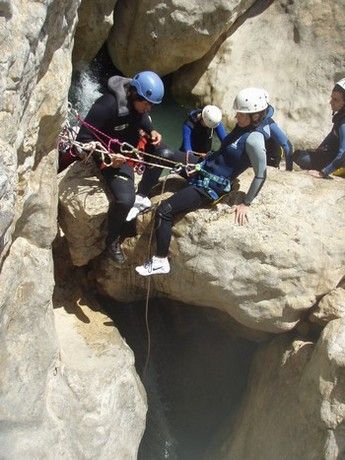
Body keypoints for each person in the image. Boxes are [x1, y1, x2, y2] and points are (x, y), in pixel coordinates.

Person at [135, 87, 272, 277]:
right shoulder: (242, 128)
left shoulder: (255, 140)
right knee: (163, 153)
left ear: (255, 116)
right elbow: (222, 152)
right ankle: (141, 196)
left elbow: (261, 174)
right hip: (203, 166)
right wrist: (200, 163)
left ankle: (160, 261)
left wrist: (245, 203)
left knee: (164, 211)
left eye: (241, 114)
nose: (236, 116)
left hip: (210, 188)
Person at [75, 70, 165, 263]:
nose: (148, 108)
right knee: (125, 200)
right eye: (146, 103)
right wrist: (106, 157)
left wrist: (151, 131)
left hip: (127, 151)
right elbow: (82, 138)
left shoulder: (137, 106)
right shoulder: (107, 105)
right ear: (134, 93)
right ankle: (112, 240)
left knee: (164, 153)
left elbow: (140, 118)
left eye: (151, 105)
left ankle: (144, 193)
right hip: (109, 156)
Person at [293, 78, 345, 178]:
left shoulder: (343, 123)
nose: (331, 102)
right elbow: (331, 137)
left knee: (298, 156)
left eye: (336, 100)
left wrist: (324, 172)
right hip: (335, 156)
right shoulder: (341, 117)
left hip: (340, 163)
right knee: (305, 154)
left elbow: (343, 153)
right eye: (332, 98)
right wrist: (318, 151)